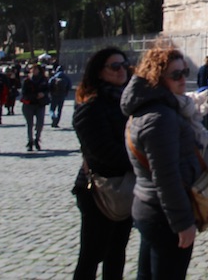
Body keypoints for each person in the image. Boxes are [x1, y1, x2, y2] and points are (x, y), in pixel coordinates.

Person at [122, 46, 208, 279]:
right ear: (157, 78)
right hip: (164, 215)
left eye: (185, 72)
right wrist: (182, 223)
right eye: (175, 75)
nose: (183, 79)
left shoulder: (150, 109)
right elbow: (166, 177)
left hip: (150, 207)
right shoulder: (160, 117)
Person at [72, 47, 133, 280]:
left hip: (124, 185)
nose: (121, 71)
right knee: (91, 254)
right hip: (98, 188)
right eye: (114, 66)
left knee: (117, 252)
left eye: (124, 65)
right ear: (99, 72)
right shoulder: (90, 106)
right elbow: (101, 152)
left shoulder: (126, 102)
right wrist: (140, 160)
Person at [20, 64, 49, 151]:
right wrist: (35, 95)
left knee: (40, 124)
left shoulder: (44, 79)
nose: (34, 70)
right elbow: (24, 93)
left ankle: (37, 139)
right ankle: (30, 141)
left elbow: (48, 89)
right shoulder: (26, 80)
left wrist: (43, 94)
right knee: (29, 124)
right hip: (29, 104)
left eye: (36, 69)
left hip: (40, 104)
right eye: (32, 69)